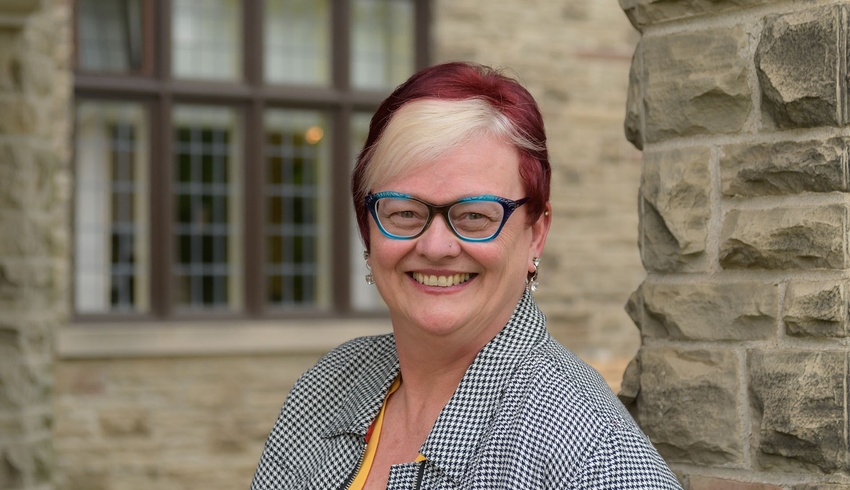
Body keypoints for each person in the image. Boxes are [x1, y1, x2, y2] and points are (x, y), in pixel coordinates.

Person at [251, 61, 681, 490]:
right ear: (368, 229)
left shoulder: (589, 453)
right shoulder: (327, 388)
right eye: (404, 212)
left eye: (475, 215)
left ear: (535, 235)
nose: (436, 247)